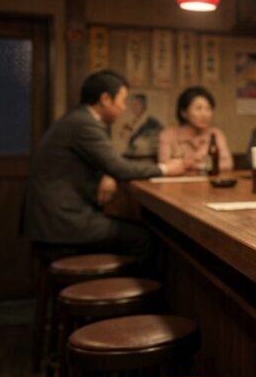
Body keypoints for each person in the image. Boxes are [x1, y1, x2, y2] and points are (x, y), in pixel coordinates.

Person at [23, 70, 188, 261]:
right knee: (142, 238)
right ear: (106, 99)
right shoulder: (85, 123)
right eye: (122, 100)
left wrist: (106, 174)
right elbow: (119, 167)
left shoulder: (78, 119)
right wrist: (166, 169)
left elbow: (107, 163)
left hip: (54, 218)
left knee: (138, 231)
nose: (124, 108)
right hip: (62, 221)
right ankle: (130, 288)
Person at [158, 86, 233, 173]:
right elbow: (164, 165)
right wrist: (186, 163)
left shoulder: (216, 134)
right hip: (178, 184)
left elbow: (228, 163)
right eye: (198, 108)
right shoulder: (168, 135)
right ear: (184, 113)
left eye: (208, 109)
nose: (204, 114)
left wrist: (199, 166)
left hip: (208, 183)